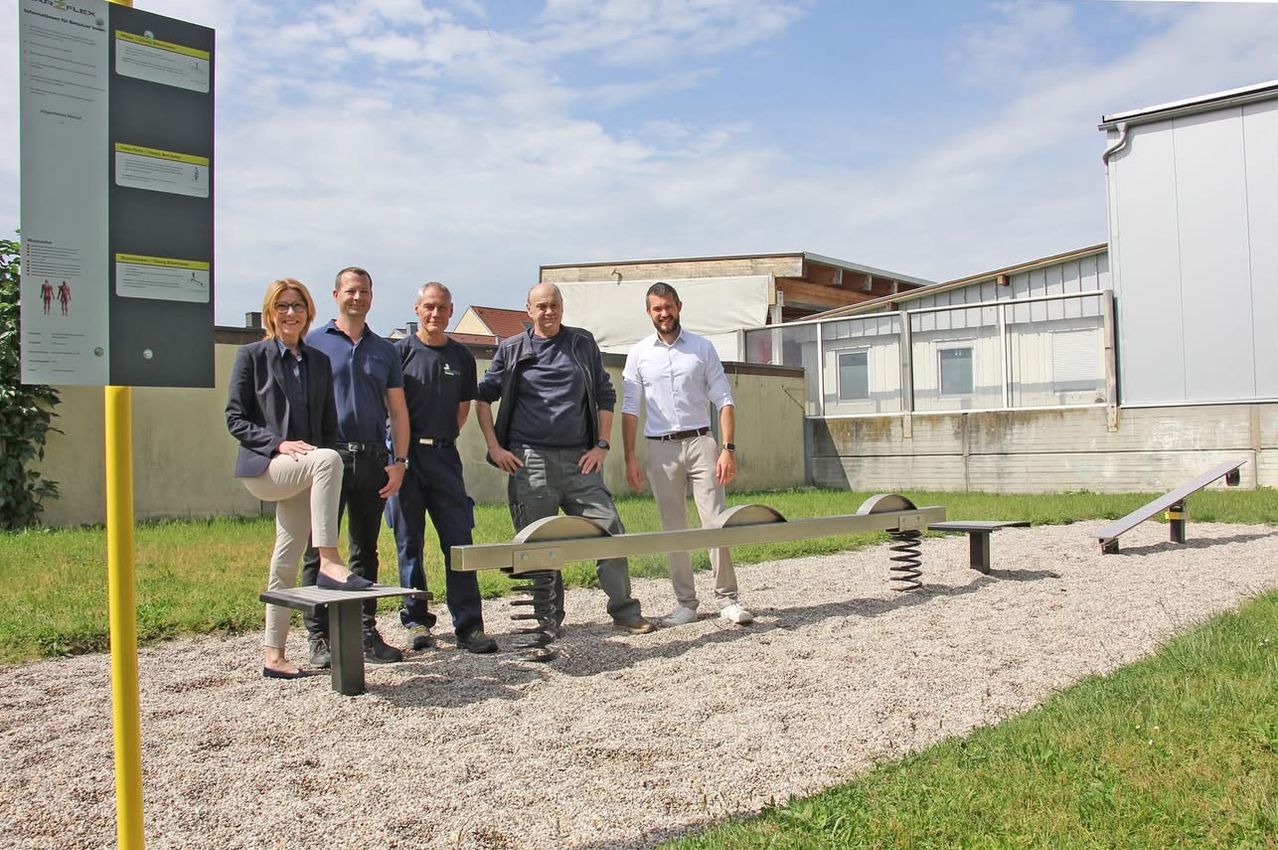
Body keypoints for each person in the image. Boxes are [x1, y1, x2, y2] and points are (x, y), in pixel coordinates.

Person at [476, 283, 654, 635]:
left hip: (580, 463)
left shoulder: (581, 343)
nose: (549, 311)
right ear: (529, 310)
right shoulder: (512, 349)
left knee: (611, 532)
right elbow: (482, 398)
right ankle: (547, 620)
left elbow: (605, 394)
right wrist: (495, 448)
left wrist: (602, 445)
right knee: (537, 547)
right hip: (531, 462)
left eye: (554, 305)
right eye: (541, 306)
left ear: (562, 307)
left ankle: (624, 610)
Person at [225, 278, 372, 680]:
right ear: (271, 312)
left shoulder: (319, 362)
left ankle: (273, 654)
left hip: (305, 468)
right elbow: (234, 419)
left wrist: (312, 463)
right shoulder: (252, 356)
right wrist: (277, 444)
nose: (291, 313)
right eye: (283, 306)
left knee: (285, 559)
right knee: (328, 459)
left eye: (298, 306)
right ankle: (328, 559)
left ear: (308, 312)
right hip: (266, 466)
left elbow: (326, 426)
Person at [621, 282, 753, 626]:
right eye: (656, 309)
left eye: (668, 306)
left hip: (701, 444)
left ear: (679, 306)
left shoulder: (701, 348)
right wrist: (630, 458)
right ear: (648, 312)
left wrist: (728, 449)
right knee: (673, 528)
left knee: (715, 521)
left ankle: (727, 599)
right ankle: (686, 604)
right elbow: (631, 409)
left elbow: (724, 399)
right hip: (659, 448)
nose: (663, 314)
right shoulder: (638, 354)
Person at [300, 266, 410, 668]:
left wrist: (399, 461)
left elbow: (397, 411)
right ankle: (319, 636)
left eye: (364, 291)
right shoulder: (313, 344)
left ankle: (364, 629)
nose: (357, 298)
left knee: (366, 550)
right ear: (335, 295)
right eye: (351, 291)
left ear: (371, 297)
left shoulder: (384, 350)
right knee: (320, 548)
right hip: (325, 460)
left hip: (371, 459)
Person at [384, 282, 497, 654]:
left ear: (451, 312)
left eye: (443, 308)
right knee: (409, 543)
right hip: (405, 460)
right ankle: (416, 620)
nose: (435, 314)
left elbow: (463, 408)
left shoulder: (462, 357)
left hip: (445, 458)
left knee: (459, 539)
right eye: (429, 307)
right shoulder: (397, 353)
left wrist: (441, 438)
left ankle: (469, 625)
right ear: (417, 308)